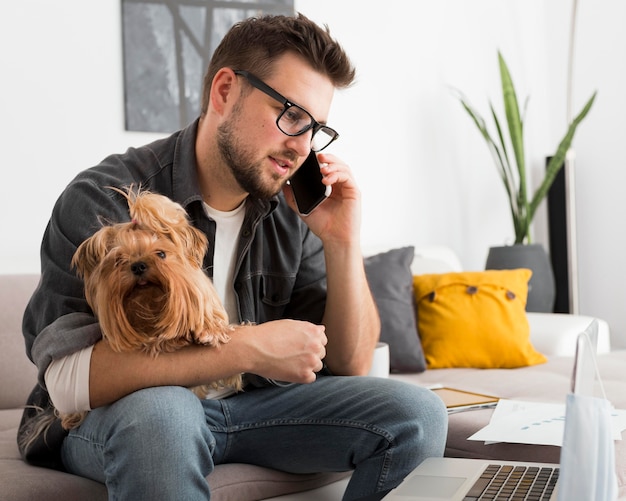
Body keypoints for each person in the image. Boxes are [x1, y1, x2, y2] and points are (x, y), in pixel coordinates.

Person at [19, 13, 447, 501]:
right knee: (164, 417)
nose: (301, 146)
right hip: (126, 414)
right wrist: (244, 348)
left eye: (315, 129)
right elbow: (68, 383)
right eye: (290, 114)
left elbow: (349, 363)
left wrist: (342, 241)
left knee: (418, 415)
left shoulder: (287, 211)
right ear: (225, 91)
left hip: (251, 409)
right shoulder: (104, 197)